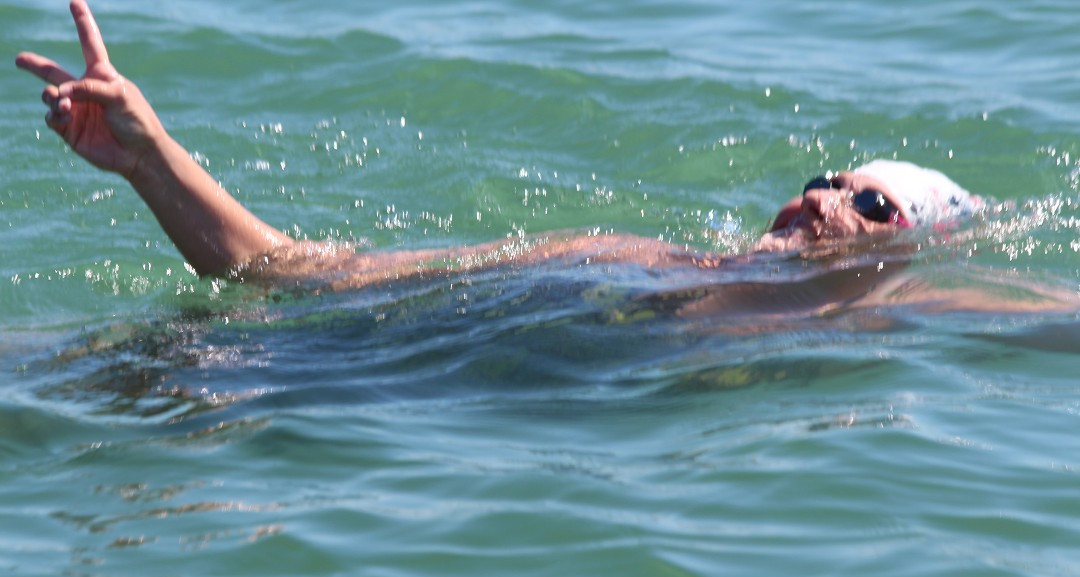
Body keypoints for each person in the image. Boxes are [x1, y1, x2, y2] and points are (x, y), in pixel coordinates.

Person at [13, 1, 1035, 312]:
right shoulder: (616, 247)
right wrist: (150, 158)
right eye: (826, 177)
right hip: (311, 375)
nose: (826, 199)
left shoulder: (873, 307)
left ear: (909, 252)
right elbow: (286, 273)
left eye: (873, 204)